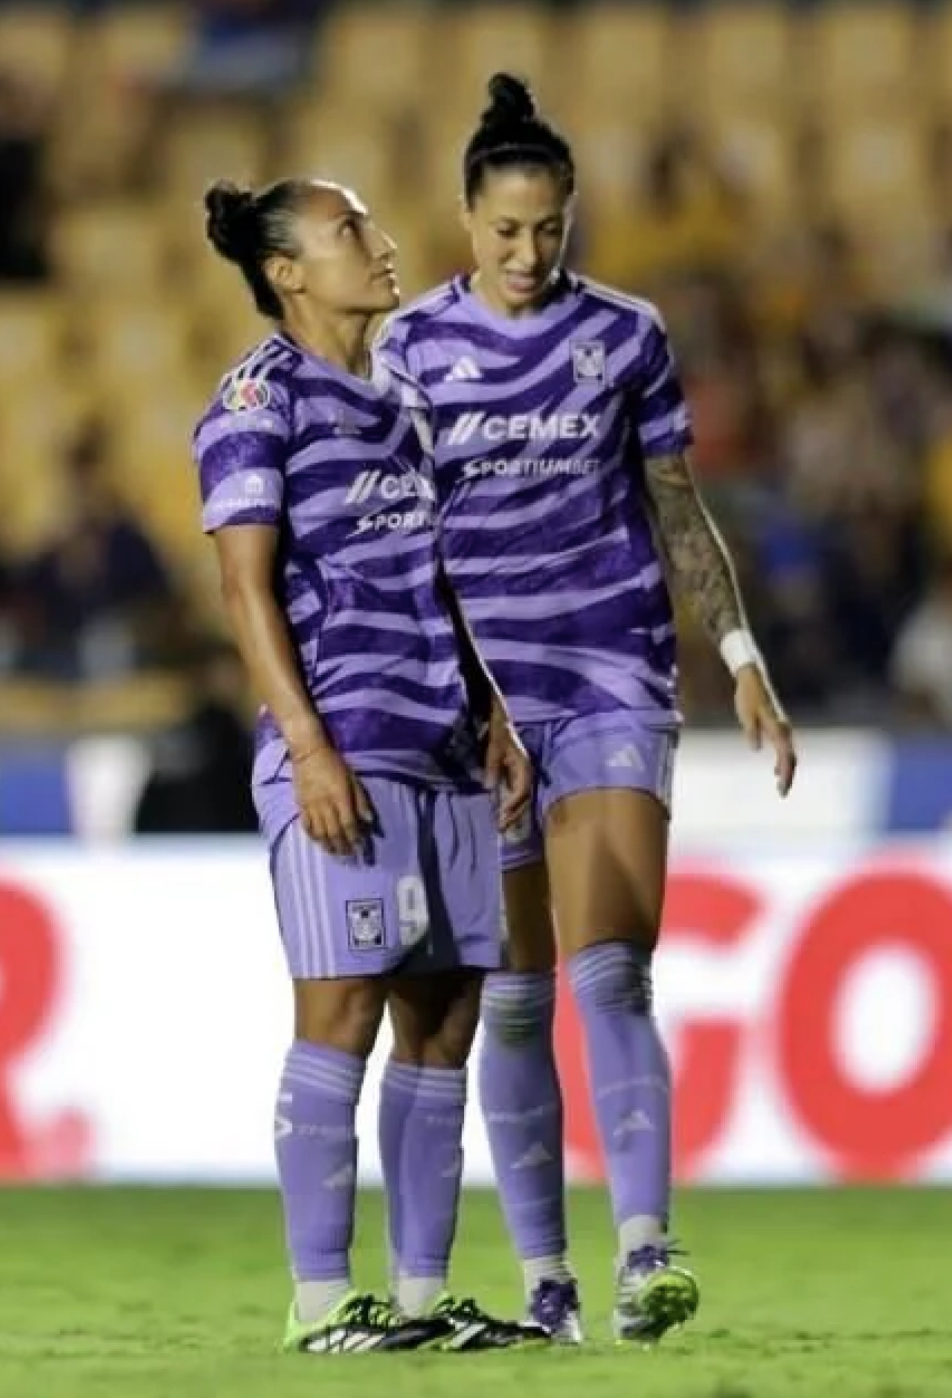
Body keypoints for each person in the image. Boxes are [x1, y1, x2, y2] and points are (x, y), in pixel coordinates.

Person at [375, 74, 797, 1345]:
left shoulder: (625, 336)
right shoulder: (407, 351)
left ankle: (647, 1252)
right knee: (512, 994)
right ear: (463, 218)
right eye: (504, 230)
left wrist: (736, 650)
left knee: (613, 968)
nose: (527, 253)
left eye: (548, 228)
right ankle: (547, 1280)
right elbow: (397, 537)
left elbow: (673, 503)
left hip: (611, 671)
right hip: (475, 708)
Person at [194, 173, 544, 1354]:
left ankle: (418, 1297)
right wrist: (306, 746)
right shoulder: (258, 397)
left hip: (439, 745)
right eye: (350, 233)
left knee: (444, 1019)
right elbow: (245, 588)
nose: (382, 246)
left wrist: (492, 708)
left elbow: (442, 578)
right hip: (340, 744)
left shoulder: (408, 403)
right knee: (340, 1008)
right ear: (288, 272)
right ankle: (317, 1303)